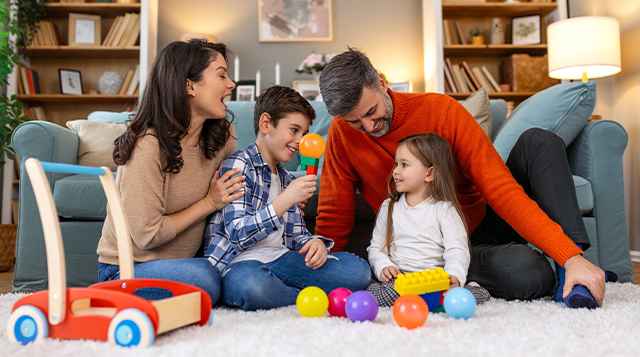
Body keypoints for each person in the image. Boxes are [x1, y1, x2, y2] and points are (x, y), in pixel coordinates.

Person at [315, 47, 607, 309]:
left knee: (539, 141)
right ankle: (551, 268)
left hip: (482, 222)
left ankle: (573, 265)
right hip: (433, 255)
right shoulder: (342, 136)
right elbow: (334, 215)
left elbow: (500, 188)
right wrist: (328, 274)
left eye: (371, 112)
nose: (368, 126)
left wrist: (569, 255)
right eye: (355, 122)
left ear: (381, 82)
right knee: (530, 274)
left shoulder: (441, 110)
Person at [97, 39, 246, 304]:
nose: (231, 84)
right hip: (126, 269)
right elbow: (146, 235)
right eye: (221, 75)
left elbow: (238, 191)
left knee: (237, 274)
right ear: (189, 85)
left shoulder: (223, 135)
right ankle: (105, 295)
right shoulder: (148, 146)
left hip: (186, 265)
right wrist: (209, 202)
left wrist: (282, 194)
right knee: (207, 278)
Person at [204, 86, 371, 311]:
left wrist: (314, 243)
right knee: (252, 287)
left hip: (281, 260)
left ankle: (287, 293)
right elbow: (237, 234)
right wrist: (285, 199)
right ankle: (307, 295)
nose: (300, 141)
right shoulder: (239, 164)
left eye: (303, 134)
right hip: (240, 263)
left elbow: (296, 237)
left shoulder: (286, 178)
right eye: (294, 130)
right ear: (266, 124)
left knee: (358, 271)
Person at [366, 133, 489, 306]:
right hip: (400, 281)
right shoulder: (389, 207)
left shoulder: (444, 210)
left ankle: (471, 288)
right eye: (396, 164)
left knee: (456, 299)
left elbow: (457, 249)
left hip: (433, 283)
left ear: (429, 173)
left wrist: (455, 277)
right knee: (381, 295)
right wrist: (383, 267)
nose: (396, 171)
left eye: (405, 165)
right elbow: (376, 247)